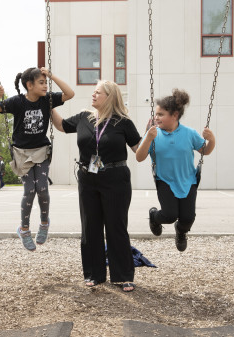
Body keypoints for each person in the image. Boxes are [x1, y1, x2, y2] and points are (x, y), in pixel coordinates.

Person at [51, 80, 140, 292]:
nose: (93, 95)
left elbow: (139, 149)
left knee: (116, 227)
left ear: (109, 97)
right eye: (93, 92)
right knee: (90, 227)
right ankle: (94, 274)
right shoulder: (84, 117)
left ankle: (123, 276)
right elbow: (61, 126)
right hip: (88, 178)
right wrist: (49, 104)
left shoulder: (123, 122)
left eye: (97, 92)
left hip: (116, 178)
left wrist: (151, 137)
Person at [0, 67, 74, 251]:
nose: (45, 86)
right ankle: (24, 229)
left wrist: (51, 75)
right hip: (22, 154)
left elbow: (69, 93)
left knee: (42, 188)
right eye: (41, 83)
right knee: (29, 190)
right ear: (29, 85)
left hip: (41, 151)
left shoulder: (47, 100)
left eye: (46, 83)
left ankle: (44, 223)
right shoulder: (17, 102)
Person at [136, 89, 216, 252]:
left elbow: (205, 151)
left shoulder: (189, 133)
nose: (156, 117)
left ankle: (180, 232)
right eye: (156, 114)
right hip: (165, 180)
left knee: (188, 218)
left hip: (188, 181)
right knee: (169, 215)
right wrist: (148, 138)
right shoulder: (154, 134)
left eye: (161, 114)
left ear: (174, 115)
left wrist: (212, 139)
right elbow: (139, 156)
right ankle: (154, 217)